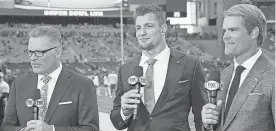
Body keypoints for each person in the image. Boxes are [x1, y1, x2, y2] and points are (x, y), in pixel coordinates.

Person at [110, 4, 207, 131]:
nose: (142, 33)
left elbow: (202, 115)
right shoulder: (126, 69)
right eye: (138, 28)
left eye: (148, 26)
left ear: (163, 29)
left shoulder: (190, 64)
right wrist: (124, 112)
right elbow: (117, 122)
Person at [2, 26, 99, 131]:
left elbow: (91, 128)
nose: (33, 58)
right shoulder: (19, 84)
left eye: (39, 52)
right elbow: (7, 127)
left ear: (57, 52)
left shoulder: (83, 85)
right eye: (30, 52)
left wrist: (51, 129)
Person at [201, 4, 275, 131]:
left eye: (233, 30)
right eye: (224, 31)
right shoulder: (223, 76)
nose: (225, 36)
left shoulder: (272, 76)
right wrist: (208, 125)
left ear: (254, 33)